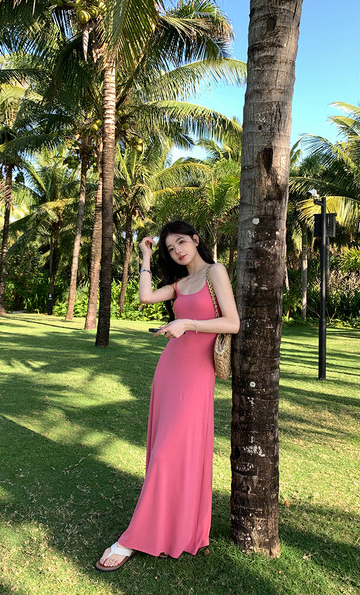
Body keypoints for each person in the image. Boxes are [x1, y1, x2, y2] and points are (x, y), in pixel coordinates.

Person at [95, 220, 240, 572]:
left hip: (197, 374)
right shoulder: (179, 284)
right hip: (170, 370)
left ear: (195, 239)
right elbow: (145, 297)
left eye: (181, 243)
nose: (177, 251)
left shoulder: (215, 272)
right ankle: (165, 526)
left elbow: (233, 322)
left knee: (170, 452)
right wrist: (145, 257)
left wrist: (187, 324)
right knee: (164, 449)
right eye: (171, 249)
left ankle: (136, 538)